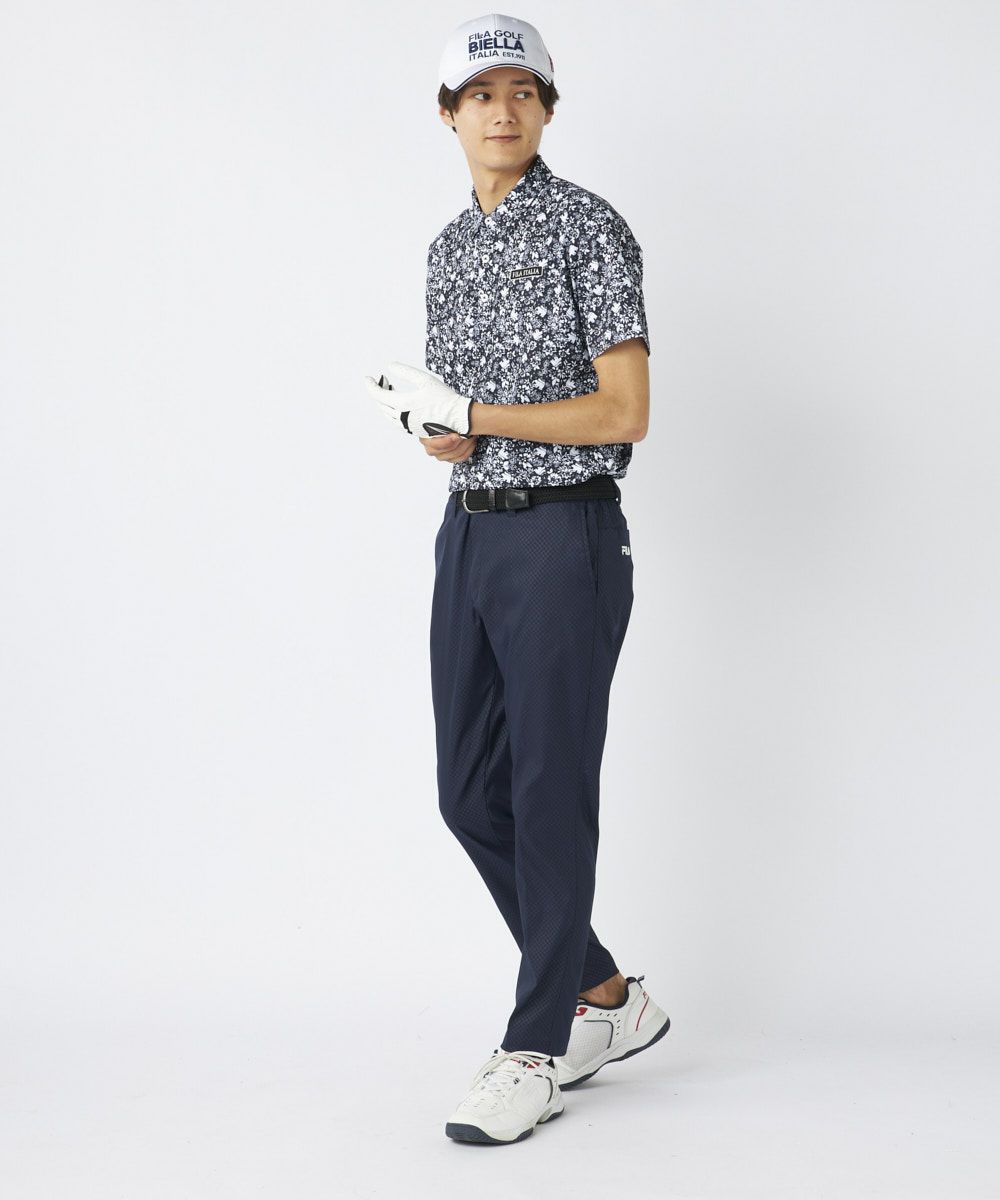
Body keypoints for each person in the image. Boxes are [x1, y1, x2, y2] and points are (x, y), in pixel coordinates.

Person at [364, 13, 670, 1145]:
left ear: (545, 109)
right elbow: (467, 419)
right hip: (472, 534)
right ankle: (607, 996)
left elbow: (625, 412)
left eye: (522, 92)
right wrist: (443, 432)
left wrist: (480, 415)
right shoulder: (448, 250)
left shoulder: (589, 227)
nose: (503, 110)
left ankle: (536, 1045)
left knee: (548, 792)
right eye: (481, 94)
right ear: (448, 115)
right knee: (467, 792)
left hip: (563, 538)